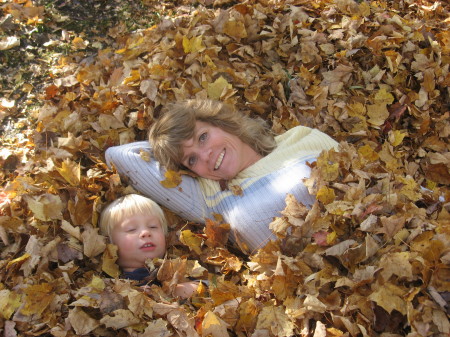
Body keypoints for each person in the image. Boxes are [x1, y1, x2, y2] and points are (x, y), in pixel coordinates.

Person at [105, 99, 338, 253]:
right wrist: (165, 147)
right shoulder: (209, 196)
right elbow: (121, 156)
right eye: (191, 159)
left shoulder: (300, 137)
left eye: (203, 137)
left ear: (223, 124)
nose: (205, 156)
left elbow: (360, 174)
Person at [99, 193, 199, 298]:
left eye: (153, 226)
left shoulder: (178, 270)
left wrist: (187, 289)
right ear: (109, 244)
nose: (146, 232)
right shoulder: (108, 285)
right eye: (131, 229)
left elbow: (208, 285)